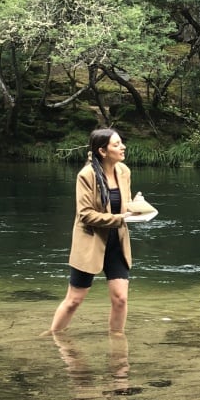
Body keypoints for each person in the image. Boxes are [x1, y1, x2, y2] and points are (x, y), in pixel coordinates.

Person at [49, 128, 135, 333]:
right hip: (90, 243)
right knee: (74, 300)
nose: (122, 147)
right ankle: (54, 335)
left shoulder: (124, 171)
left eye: (121, 143)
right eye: (116, 144)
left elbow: (126, 205)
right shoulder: (86, 175)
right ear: (102, 151)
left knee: (121, 299)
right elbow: (85, 214)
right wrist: (119, 218)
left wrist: (138, 209)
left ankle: (117, 342)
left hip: (117, 242)